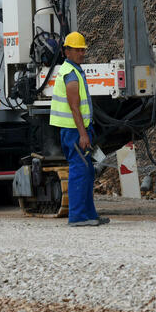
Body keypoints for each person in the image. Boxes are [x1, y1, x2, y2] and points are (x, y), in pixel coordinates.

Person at [49, 32, 109, 227]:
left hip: (77, 130)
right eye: (78, 49)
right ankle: (77, 216)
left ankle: (89, 215)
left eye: (83, 49)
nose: (82, 53)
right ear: (67, 51)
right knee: (80, 170)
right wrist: (83, 134)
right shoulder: (70, 74)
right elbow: (74, 106)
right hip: (74, 131)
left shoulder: (73, 70)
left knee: (87, 170)